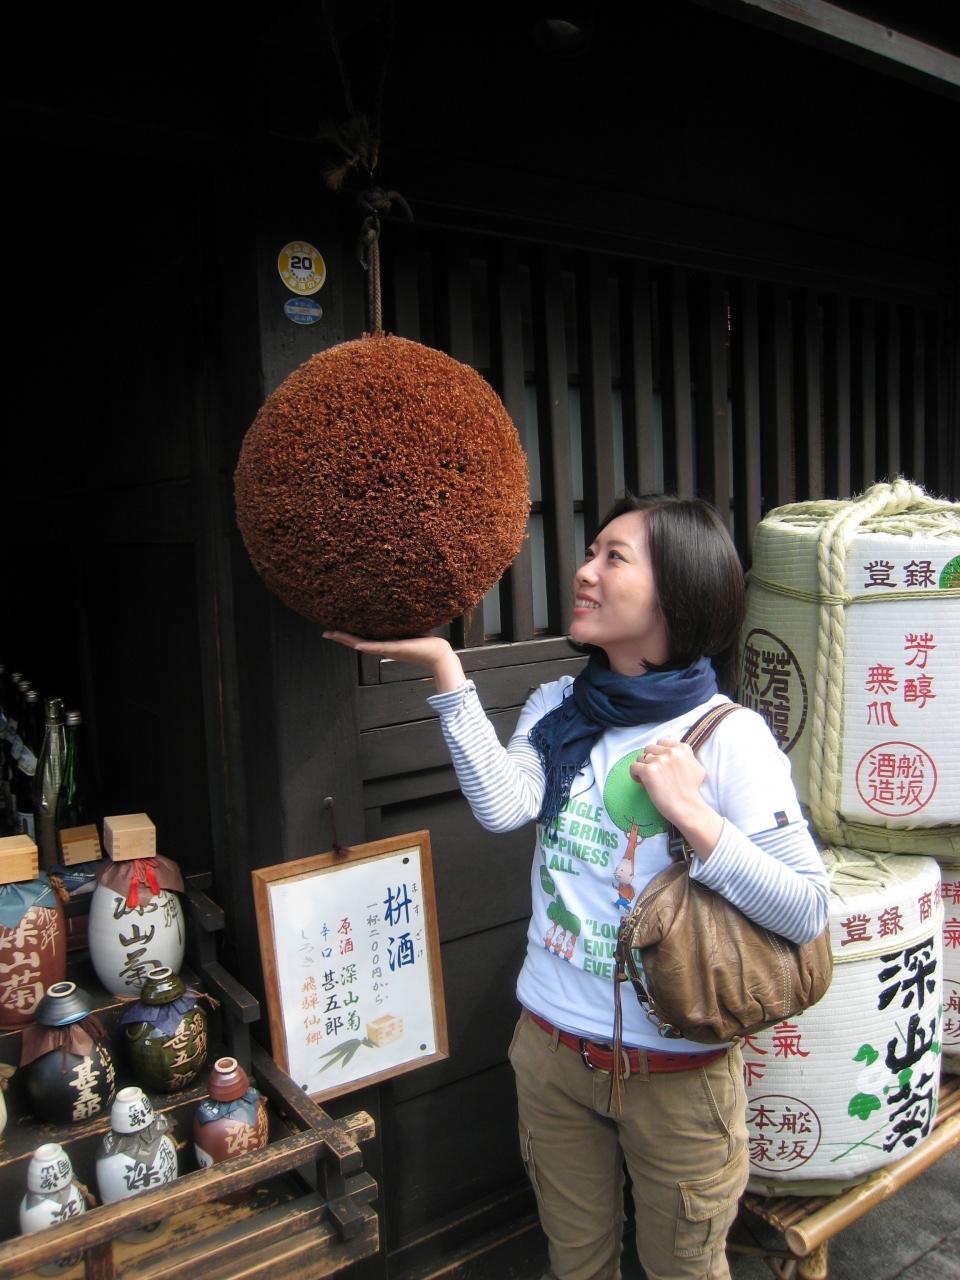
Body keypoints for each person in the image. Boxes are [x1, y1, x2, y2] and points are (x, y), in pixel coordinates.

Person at [325, 493, 830, 1280]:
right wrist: (446, 671)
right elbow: (506, 805)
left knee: (683, 1269)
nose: (584, 571)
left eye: (613, 557)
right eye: (591, 552)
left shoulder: (731, 736)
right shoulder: (562, 705)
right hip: (551, 1051)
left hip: (678, 1075)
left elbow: (805, 908)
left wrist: (695, 817)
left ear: (678, 592)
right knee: (577, 1263)